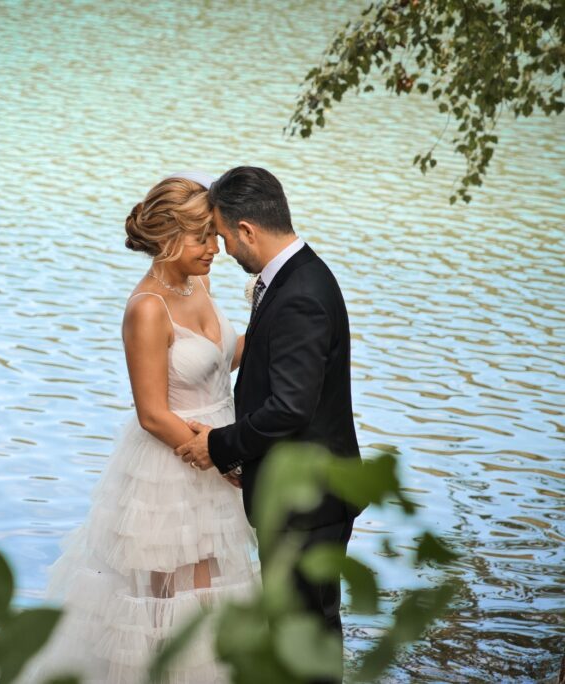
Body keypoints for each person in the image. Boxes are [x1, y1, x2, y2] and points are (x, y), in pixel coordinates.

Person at [24, 173, 260, 684]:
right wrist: (220, 458)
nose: (215, 248)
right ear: (170, 237)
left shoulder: (199, 283)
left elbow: (220, 360)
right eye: (202, 237)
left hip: (219, 449)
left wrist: (274, 325)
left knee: (213, 590)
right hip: (173, 464)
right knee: (167, 598)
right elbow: (151, 413)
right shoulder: (147, 309)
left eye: (215, 235)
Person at [174, 166, 361, 682]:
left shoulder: (299, 293)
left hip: (308, 498)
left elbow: (290, 407)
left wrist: (220, 445)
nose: (222, 249)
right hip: (305, 489)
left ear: (247, 230)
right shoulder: (297, 276)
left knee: (305, 632)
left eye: (223, 235)